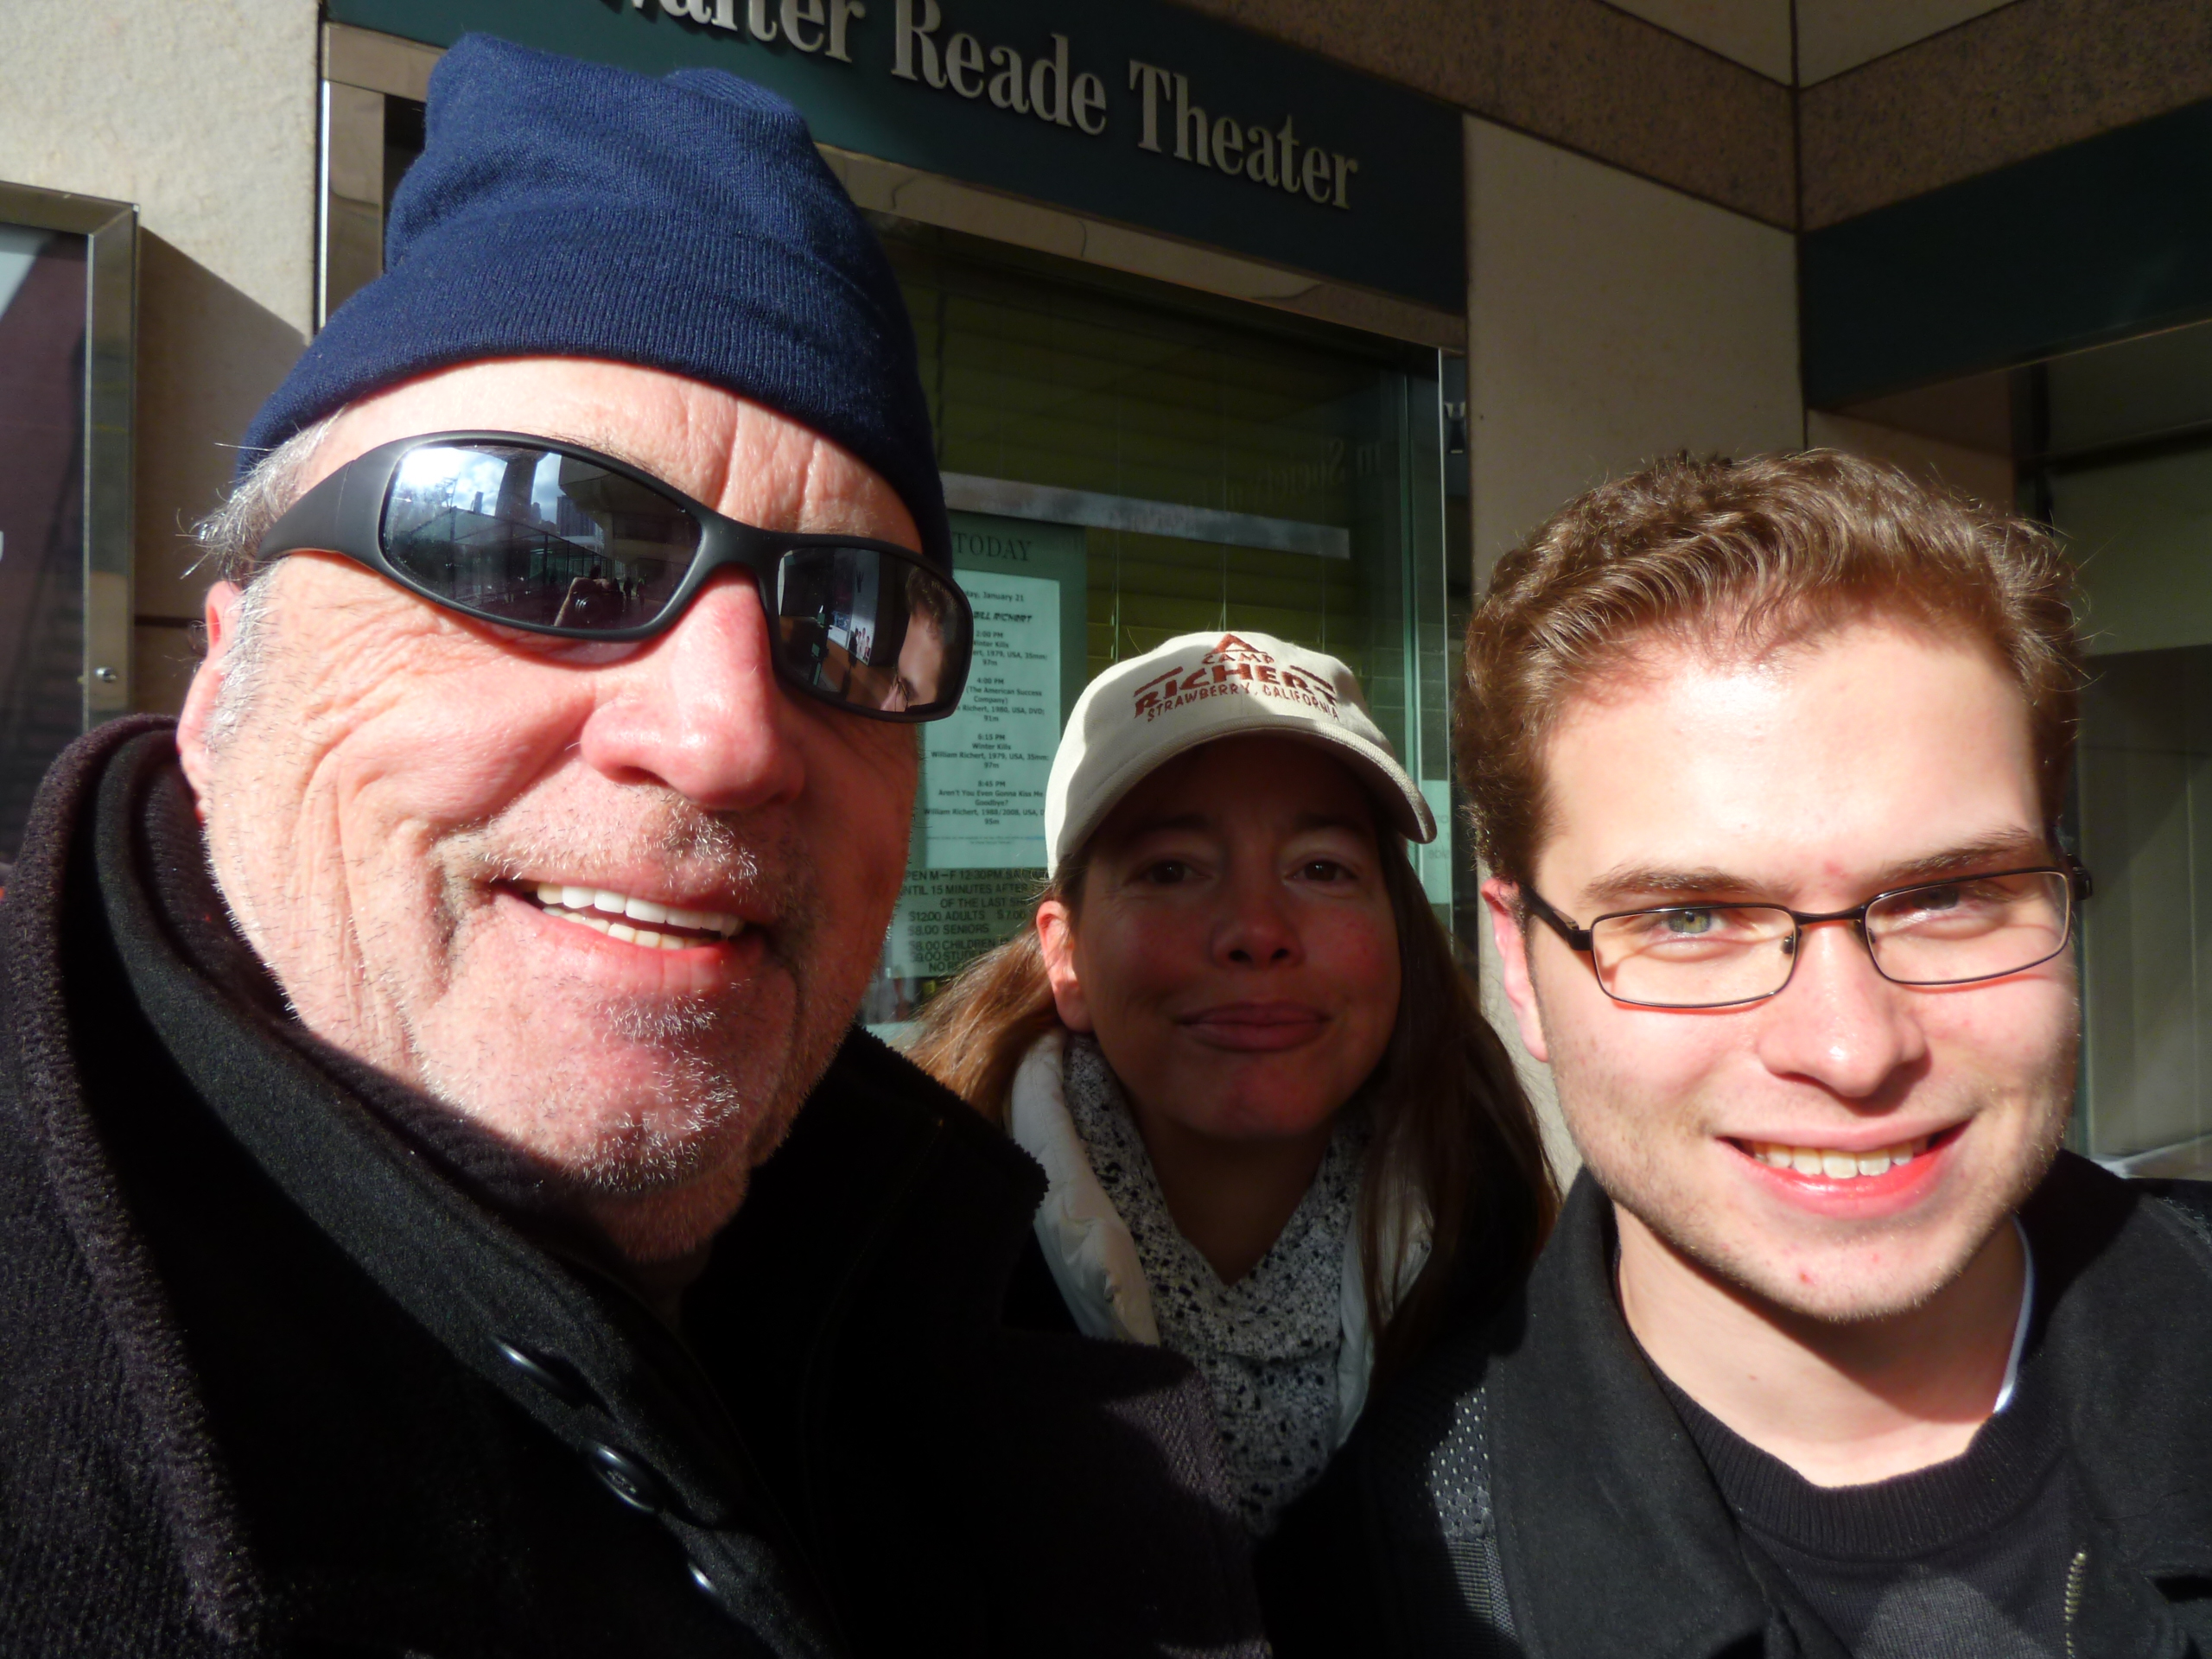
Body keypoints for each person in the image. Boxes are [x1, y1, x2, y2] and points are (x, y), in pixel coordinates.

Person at [0, 37, 1264, 1659]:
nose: (729, 734)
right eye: (538, 546)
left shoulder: (953, 1282)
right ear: (224, 670)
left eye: (852, 620)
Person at [1262, 451, 2212, 1657]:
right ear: (1523, 967)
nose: (1850, 1047)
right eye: (1689, 919)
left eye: (1948, 895)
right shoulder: (1372, 1600)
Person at [911, 629, 1556, 1538]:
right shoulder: (906, 1272)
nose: (1257, 929)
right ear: (1067, 956)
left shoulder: (1512, 1261)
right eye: (1172, 870)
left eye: (1321, 869)